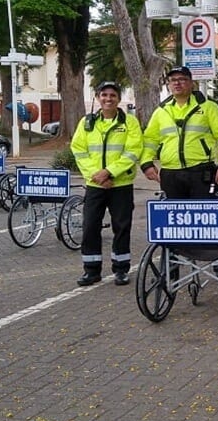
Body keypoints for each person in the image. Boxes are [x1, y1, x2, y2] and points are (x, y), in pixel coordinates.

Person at [70, 81, 143, 287]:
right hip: (95, 185)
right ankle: (91, 271)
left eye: (112, 95)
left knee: (121, 227)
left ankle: (121, 270)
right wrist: (97, 175)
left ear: (118, 99)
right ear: (97, 97)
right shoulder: (87, 122)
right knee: (90, 226)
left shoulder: (130, 123)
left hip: (121, 185)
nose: (108, 99)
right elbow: (79, 150)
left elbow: (133, 151)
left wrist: (109, 172)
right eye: (104, 95)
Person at [140, 66, 218, 199]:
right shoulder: (161, 111)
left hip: (201, 172)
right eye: (173, 80)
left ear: (191, 83)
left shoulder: (208, 107)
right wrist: (146, 164)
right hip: (170, 174)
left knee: (203, 215)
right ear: (168, 85)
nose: (177, 83)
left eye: (182, 79)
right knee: (173, 216)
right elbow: (149, 140)